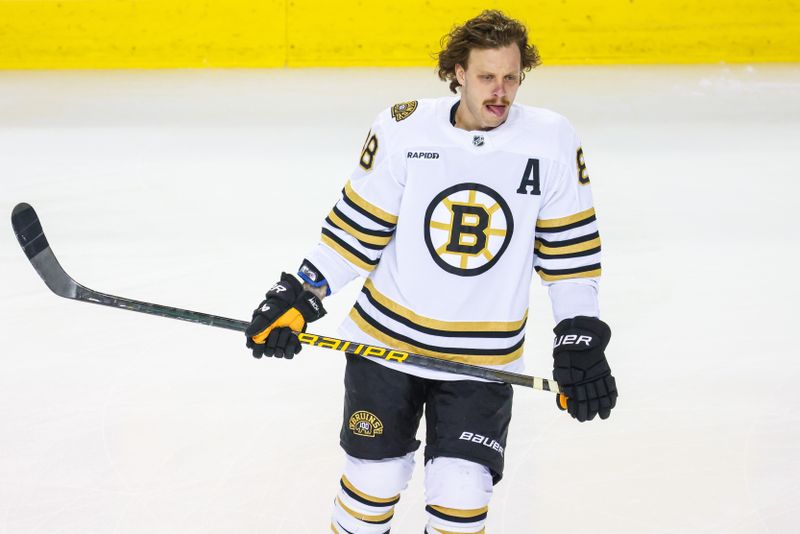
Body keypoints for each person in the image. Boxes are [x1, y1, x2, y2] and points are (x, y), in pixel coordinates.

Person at [244, 10, 617, 533]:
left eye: (511, 77)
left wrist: (580, 336)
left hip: (482, 360)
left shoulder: (551, 140)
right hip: (387, 344)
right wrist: (299, 296)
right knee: (374, 483)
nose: (501, 92)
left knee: (463, 496)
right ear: (458, 72)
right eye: (487, 76)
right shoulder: (403, 127)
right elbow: (356, 232)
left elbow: (570, 257)